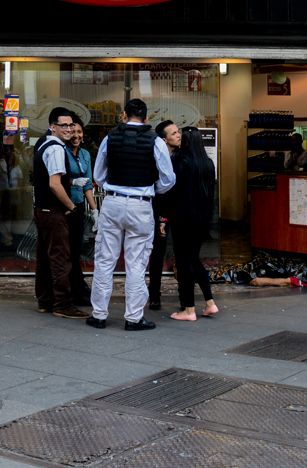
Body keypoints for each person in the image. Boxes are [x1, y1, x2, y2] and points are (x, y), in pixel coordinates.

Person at [86, 99, 175, 332]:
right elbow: (168, 178)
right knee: (136, 263)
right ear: (146, 119)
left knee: (105, 260)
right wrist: (148, 190)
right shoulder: (155, 141)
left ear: (124, 115)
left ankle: (98, 315)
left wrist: (114, 189)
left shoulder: (110, 137)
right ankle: (134, 318)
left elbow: (99, 174)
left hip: (113, 202)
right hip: (141, 205)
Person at [30, 109, 85, 319]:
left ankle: (45, 301)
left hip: (42, 209)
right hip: (53, 210)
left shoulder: (43, 144)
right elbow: (55, 184)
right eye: (64, 126)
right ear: (53, 127)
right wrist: (71, 206)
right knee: (61, 258)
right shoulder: (55, 149)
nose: (69, 129)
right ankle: (62, 304)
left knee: (45, 257)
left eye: (71, 125)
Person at [164, 127, 218, 321]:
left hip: (182, 216)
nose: (177, 138)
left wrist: (163, 218)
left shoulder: (180, 161)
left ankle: (189, 309)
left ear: (186, 142)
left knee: (184, 261)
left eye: (181, 136)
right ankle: (210, 302)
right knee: (194, 259)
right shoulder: (208, 163)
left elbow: (170, 191)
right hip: (202, 217)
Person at [147, 119, 182, 311]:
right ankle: (154, 295)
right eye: (174, 133)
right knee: (158, 252)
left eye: (178, 132)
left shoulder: (181, 156)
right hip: (160, 210)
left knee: (182, 252)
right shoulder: (156, 158)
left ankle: (185, 297)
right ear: (163, 139)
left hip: (179, 210)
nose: (178, 135)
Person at [65, 117, 95, 306]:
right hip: (65, 206)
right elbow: (56, 179)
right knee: (67, 250)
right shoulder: (62, 152)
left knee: (75, 249)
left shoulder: (85, 154)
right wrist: (71, 181)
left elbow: (88, 184)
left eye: (79, 132)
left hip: (79, 206)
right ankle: (75, 288)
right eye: (73, 132)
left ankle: (77, 286)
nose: (76, 135)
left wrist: (94, 209)